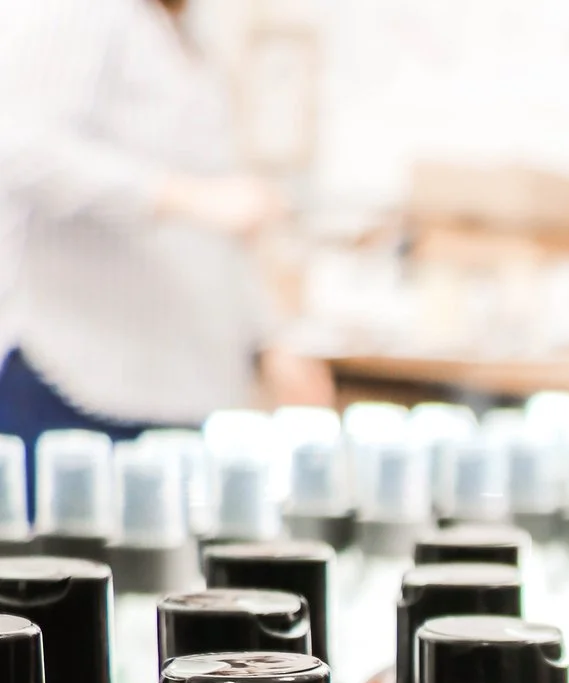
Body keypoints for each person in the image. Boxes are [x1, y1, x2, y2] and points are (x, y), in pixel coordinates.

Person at [0, 0, 331, 499]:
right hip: (83, 395)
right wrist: (178, 195)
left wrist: (269, 341)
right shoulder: (80, 15)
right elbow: (21, 148)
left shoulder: (190, 36)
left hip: (182, 399)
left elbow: (224, 218)